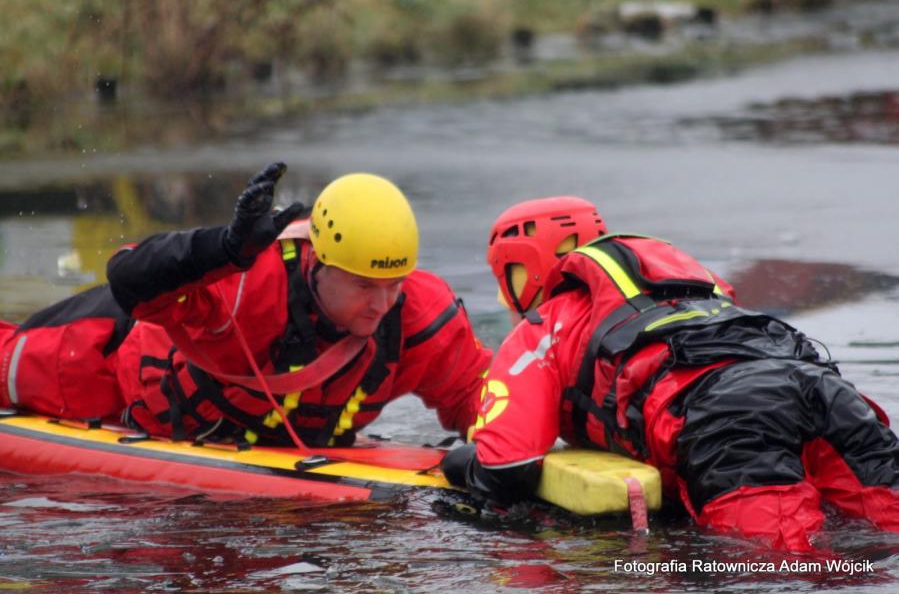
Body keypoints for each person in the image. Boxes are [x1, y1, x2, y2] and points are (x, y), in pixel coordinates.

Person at [442, 196, 899, 551]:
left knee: (777, 567)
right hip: (820, 385)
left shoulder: (543, 327)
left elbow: (509, 466)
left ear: (525, 268)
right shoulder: (696, 289)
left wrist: (459, 464)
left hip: (729, 419)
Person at [0, 163, 491, 447]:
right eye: (364, 286)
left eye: (394, 284)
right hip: (102, 371)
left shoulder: (422, 315)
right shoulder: (247, 281)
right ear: (319, 263)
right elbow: (128, 277)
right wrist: (223, 249)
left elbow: (476, 392)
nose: (383, 303)